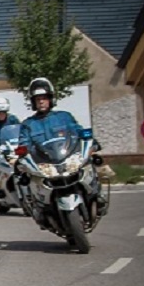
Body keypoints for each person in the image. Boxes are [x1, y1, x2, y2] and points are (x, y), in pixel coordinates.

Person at [18, 77, 107, 214]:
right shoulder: (28, 124)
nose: (41, 101)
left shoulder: (64, 117)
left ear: (50, 99)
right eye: (37, 99)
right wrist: (23, 157)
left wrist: (92, 145)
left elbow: (78, 132)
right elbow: (24, 145)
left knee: (89, 164)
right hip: (46, 164)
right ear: (33, 102)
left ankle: (97, 195)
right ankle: (37, 206)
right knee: (29, 179)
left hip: (67, 157)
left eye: (44, 97)